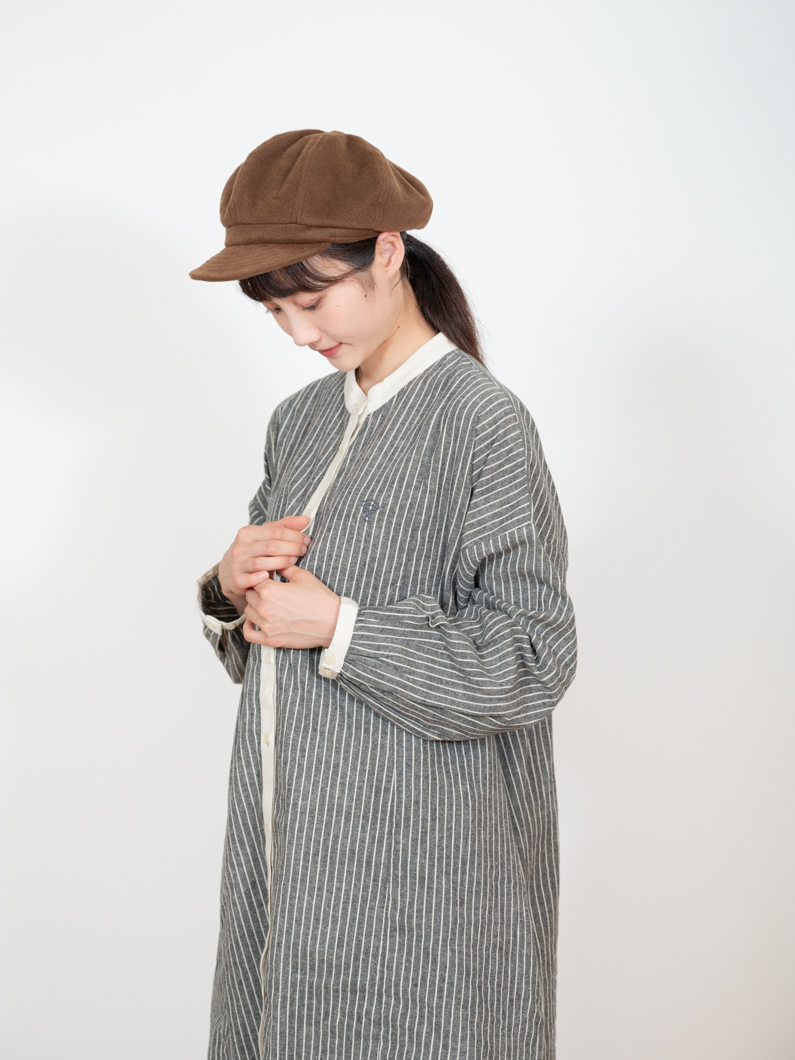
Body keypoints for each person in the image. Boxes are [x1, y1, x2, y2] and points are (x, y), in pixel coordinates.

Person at [190, 128, 577, 1060]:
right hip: (287, 854)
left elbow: (534, 659)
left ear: (389, 253)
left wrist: (343, 626)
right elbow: (263, 644)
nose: (299, 334)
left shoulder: (483, 423)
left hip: (422, 867)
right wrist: (229, 586)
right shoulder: (300, 421)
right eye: (274, 311)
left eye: (311, 299)